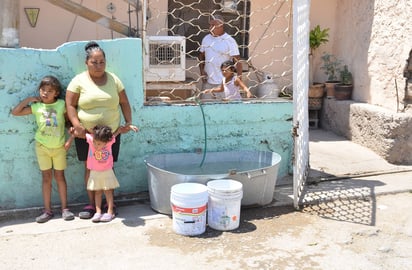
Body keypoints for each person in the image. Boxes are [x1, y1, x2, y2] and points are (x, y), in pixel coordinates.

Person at [66, 41, 138, 219]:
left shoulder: (114, 79)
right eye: (94, 62)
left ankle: (109, 204)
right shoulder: (78, 81)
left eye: (101, 62)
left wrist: (128, 122)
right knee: (90, 168)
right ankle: (92, 204)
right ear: (87, 62)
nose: (98, 66)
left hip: (110, 134)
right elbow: (70, 105)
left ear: (106, 62)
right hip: (86, 136)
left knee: (107, 167)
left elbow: (124, 102)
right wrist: (77, 125)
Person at [11, 75, 75, 223]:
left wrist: (70, 134)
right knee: (46, 178)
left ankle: (65, 209)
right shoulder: (37, 107)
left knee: (60, 177)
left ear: (57, 93)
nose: (45, 93)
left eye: (50, 91)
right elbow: (16, 112)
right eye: (43, 90)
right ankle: (47, 210)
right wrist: (29, 100)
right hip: (42, 147)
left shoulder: (61, 105)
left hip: (59, 147)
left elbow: (68, 121)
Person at [198, 14, 243, 99]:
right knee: (205, 108)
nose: (210, 27)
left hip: (224, 83)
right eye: (210, 25)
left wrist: (239, 79)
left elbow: (238, 62)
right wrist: (202, 71)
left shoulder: (229, 41)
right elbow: (201, 55)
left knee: (222, 108)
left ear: (221, 25)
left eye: (213, 25)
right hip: (208, 82)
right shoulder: (206, 39)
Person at [85, 125, 122, 223]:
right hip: (95, 172)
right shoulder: (91, 140)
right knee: (97, 192)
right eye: (95, 143)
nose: (96, 146)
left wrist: (121, 129)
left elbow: (116, 134)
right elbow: (83, 133)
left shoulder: (109, 143)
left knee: (108, 192)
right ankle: (98, 211)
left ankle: (110, 211)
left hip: (107, 171)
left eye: (99, 144)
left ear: (105, 142)